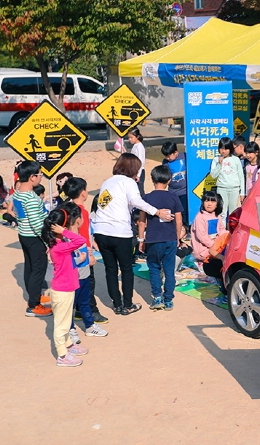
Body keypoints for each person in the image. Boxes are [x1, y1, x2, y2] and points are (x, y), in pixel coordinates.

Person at [93, 153, 174, 316]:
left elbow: (102, 204)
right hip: (119, 232)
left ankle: (117, 304)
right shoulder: (128, 182)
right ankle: (128, 304)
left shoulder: (107, 182)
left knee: (110, 269)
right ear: (132, 169)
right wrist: (157, 212)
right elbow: (137, 202)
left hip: (101, 231)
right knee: (126, 269)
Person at [41, 203, 89, 367]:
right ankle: (62, 355)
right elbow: (81, 239)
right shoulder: (59, 246)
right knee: (61, 325)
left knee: (66, 320)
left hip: (66, 288)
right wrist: (64, 231)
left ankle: (69, 345)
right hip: (62, 291)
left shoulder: (59, 243)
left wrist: (63, 233)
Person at [137, 165, 184, 311]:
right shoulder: (174, 197)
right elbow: (179, 220)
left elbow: (141, 221)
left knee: (154, 268)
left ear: (152, 179)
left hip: (152, 240)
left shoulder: (146, 198)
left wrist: (141, 240)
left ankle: (157, 298)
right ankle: (168, 299)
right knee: (169, 271)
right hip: (170, 239)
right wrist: (177, 237)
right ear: (169, 180)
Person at [62, 177, 109, 324]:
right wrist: (90, 254)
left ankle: (78, 310)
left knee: (78, 282)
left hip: (72, 252)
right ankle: (92, 312)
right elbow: (82, 236)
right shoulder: (81, 212)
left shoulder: (66, 208)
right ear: (83, 193)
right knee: (88, 283)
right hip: (82, 252)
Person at [14, 161, 52, 317]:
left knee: (29, 267)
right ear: (32, 177)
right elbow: (36, 223)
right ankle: (33, 305)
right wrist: (47, 241)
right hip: (34, 237)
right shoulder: (31, 197)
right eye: (39, 174)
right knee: (39, 269)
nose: (41, 177)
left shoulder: (17, 192)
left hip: (24, 234)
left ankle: (33, 295)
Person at [191, 191, 228, 284]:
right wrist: (214, 246)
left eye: (212, 201)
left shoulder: (217, 216)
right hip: (203, 250)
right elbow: (201, 236)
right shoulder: (200, 217)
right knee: (220, 261)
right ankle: (202, 263)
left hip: (214, 246)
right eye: (207, 201)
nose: (209, 203)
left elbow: (222, 230)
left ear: (217, 204)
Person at [210, 137, 245, 217]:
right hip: (222, 189)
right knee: (222, 212)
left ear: (230, 149)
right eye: (221, 148)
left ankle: (232, 229)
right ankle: (222, 229)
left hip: (234, 189)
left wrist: (242, 192)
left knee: (233, 213)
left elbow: (241, 176)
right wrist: (219, 164)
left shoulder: (236, 159)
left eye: (226, 149)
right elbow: (213, 175)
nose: (223, 151)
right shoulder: (216, 160)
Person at [161, 141, 188, 226]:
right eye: (165, 156)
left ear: (176, 152)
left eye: (169, 156)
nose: (167, 158)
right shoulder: (165, 162)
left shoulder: (185, 156)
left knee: (185, 212)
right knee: (174, 211)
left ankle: (185, 228)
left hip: (185, 191)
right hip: (173, 191)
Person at [127, 128, 146, 196]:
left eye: (131, 137)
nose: (130, 139)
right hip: (134, 171)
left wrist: (138, 175)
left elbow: (141, 161)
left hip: (139, 171)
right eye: (129, 138)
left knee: (140, 191)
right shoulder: (135, 146)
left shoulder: (139, 147)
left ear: (137, 137)